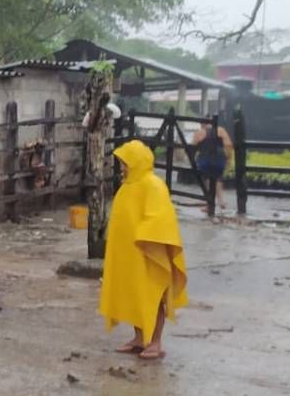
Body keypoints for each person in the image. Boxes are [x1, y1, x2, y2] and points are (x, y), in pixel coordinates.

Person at [99, 140, 189, 360]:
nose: (122, 168)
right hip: (129, 256)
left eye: (125, 163)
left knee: (154, 296)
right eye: (122, 163)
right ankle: (139, 338)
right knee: (134, 295)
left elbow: (161, 219)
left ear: (137, 162)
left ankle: (155, 342)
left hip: (150, 254)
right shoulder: (127, 187)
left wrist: (145, 240)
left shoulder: (153, 185)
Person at [192, 123, 233, 212]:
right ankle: (221, 200)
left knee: (207, 179)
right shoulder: (221, 130)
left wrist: (193, 161)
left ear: (201, 124)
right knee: (218, 178)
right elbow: (228, 144)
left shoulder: (199, 133)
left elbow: (192, 148)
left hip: (204, 159)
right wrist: (228, 159)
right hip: (219, 158)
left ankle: (209, 203)